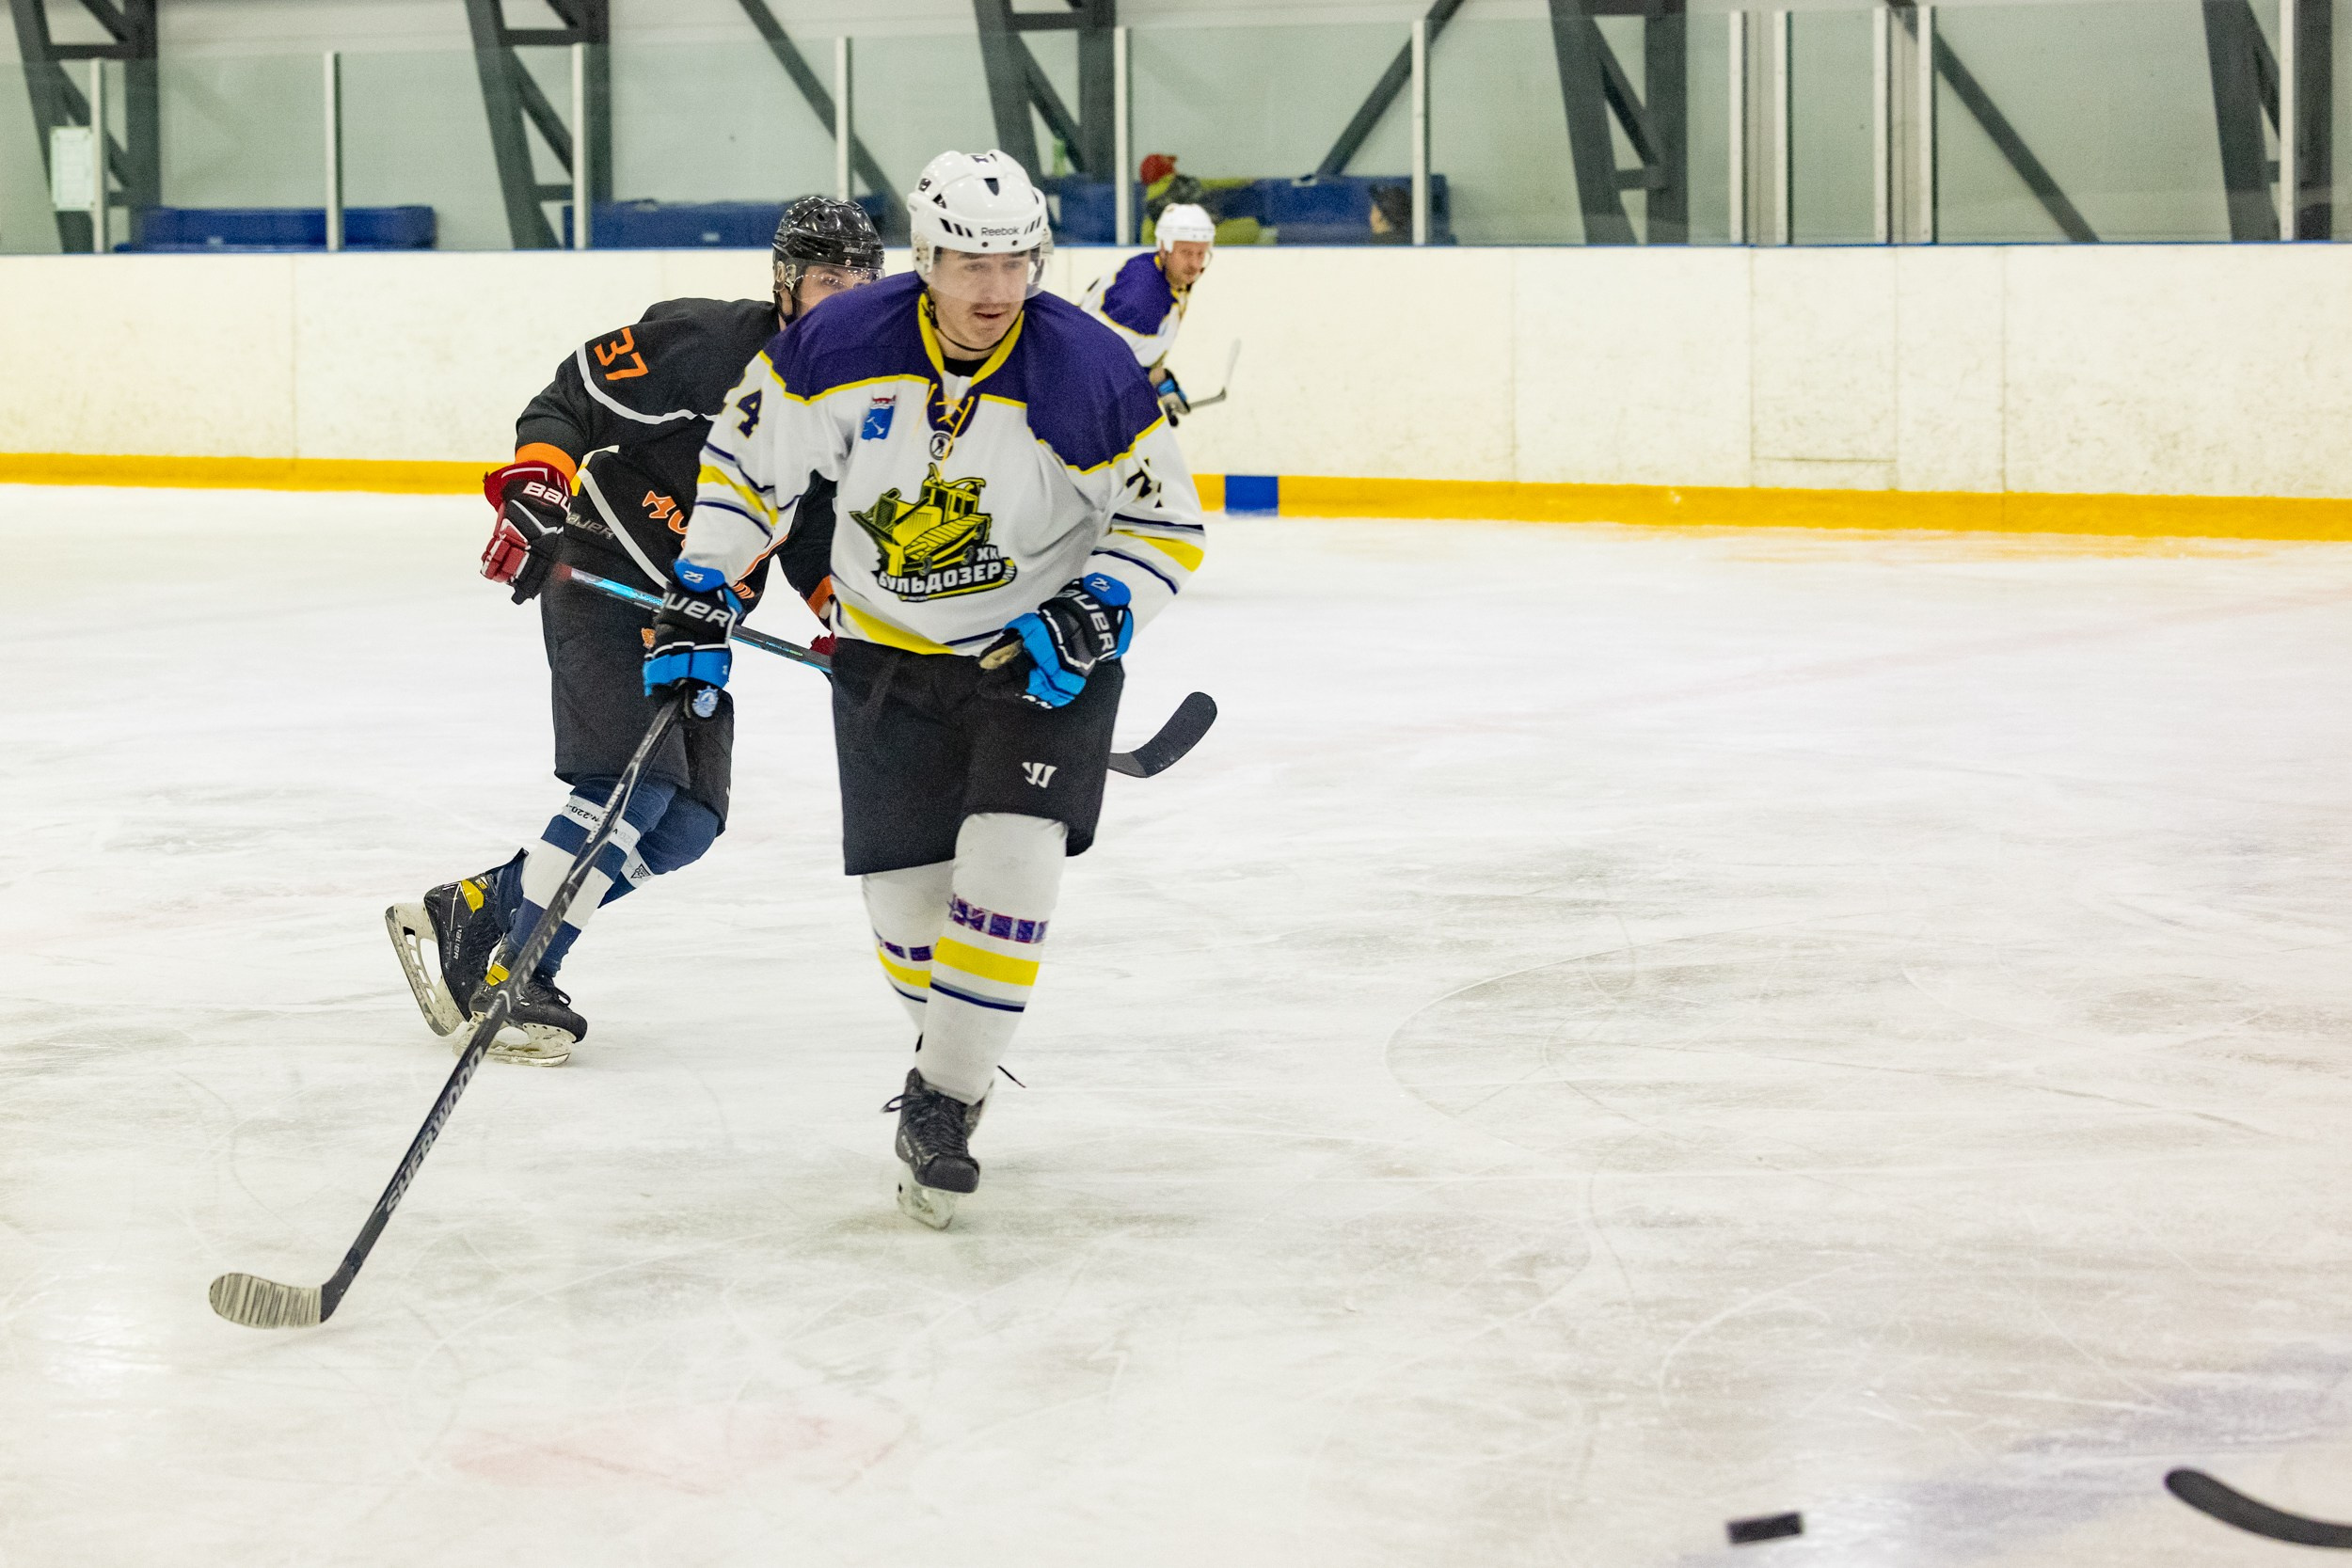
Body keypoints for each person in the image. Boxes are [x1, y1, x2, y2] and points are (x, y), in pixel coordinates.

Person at [652, 150, 1208, 1227]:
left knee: (1011, 858)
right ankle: (957, 1042)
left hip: (1039, 657)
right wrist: (704, 581)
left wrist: (1099, 607)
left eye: (1015, 264)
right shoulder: (838, 344)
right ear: (926, 257)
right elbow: (748, 469)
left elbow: (1164, 524)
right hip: (886, 654)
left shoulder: (1085, 369)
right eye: (969, 265)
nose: (995, 290)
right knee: (908, 907)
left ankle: (943, 1102)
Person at [383, 197, 882, 1068]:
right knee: (632, 786)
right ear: (786, 283)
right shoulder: (707, 344)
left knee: (685, 823)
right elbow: (570, 395)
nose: (845, 299)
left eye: (861, 282)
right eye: (826, 280)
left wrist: (863, 632)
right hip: (606, 571)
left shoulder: (863, 399)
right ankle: (520, 972)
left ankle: (483, 907)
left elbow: (811, 535)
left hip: (699, 618)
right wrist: (537, 488)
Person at [1080, 202, 1215, 425]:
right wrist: (1147, 385)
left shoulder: (1165, 273)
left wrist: (1158, 378)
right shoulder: (1141, 298)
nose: (1195, 264)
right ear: (1164, 248)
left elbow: (1124, 357)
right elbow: (1092, 366)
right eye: (1186, 253)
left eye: (1201, 254)